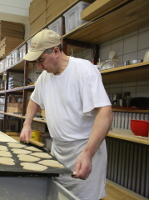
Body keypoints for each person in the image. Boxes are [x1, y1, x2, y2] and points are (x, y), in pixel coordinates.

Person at [20, 30, 113, 200]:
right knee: (59, 195)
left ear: (56, 51)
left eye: (41, 60)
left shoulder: (84, 70)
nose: (39, 66)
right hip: (59, 150)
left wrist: (88, 153)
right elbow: (34, 101)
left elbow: (105, 112)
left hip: (83, 150)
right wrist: (27, 124)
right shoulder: (44, 78)